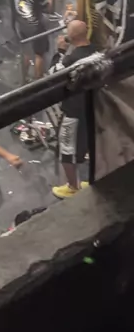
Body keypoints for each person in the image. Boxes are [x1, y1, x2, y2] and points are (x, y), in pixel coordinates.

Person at [52, 20, 94, 199]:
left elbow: (53, 76)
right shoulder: (98, 52)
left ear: (71, 37)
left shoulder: (70, 60)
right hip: (93, 108)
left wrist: (60, 51)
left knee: (66, 150)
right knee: (89, 144)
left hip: (73, 111)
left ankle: (72, 187)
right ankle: (93, 179)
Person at [12, 0, 56, 79]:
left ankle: (24, 78)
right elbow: (48, 9)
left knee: (26, 53)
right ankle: (38, 80)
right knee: (39, 54)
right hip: (36, 27)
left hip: (21, 24)